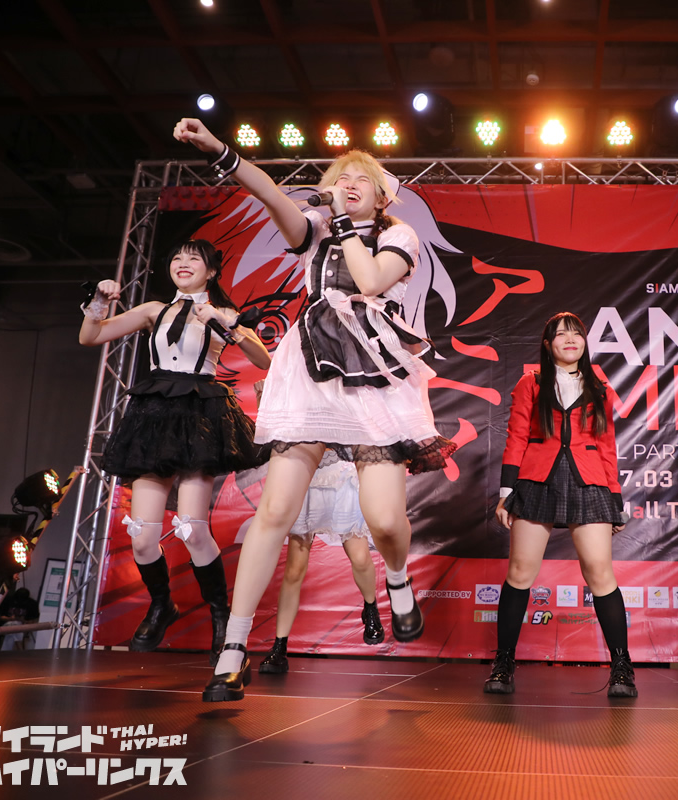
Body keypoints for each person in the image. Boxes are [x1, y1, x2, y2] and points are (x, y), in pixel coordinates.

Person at [173, 118, 456, 702]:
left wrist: (346, 223)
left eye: (361, 179)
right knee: (275, 511)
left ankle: (397, 578)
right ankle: (233, 650)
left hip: (374, 370)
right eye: (339, 178)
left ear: (383, 195)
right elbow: (270, 194)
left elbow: (370, 282)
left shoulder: (400, 236)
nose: (347, 184)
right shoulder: (317, 232)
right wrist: (219, 149)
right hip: (310, 368)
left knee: (383, 521)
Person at [80, 239, 271, 665]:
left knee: (192, 530)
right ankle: (162, 603)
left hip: (198, 415)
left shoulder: (223, 313)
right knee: (142, 537)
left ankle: (221, 616)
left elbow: (264, 360)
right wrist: (98, 302)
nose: (183, 264)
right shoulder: (154, 310)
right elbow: (91, 336)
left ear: (212, 271)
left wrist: (225, 323)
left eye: (193, 258)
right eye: (177, 258)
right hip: (154, 416)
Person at [487, 312, 635, 698]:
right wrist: (506, 493)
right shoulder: (531, 382)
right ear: (548, 344)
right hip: (537, 480)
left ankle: (622, 668)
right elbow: (516, 438)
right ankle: (503, 663)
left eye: (577, 333)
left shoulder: (599, 385)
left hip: (589, 481)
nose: (571, 339)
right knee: (520, 571)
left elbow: (607, 444)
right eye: (561, 334)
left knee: (600, 572)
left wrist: (615, 499)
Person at [253, 450, 385, 674]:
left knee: (361, 558)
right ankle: (279, 648)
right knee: (294, 570)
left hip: (342, 472)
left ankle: (370, 608)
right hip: (305, 473)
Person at [0, 586, 40, 651]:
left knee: (13, 630)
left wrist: (23, 620)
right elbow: (0, 617)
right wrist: (10, 619)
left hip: (22, 626)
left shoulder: (32, 604)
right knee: (14, 625)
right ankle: (20, 649)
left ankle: (5, 652)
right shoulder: (8, 601)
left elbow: (32, 621)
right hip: (6, 624)